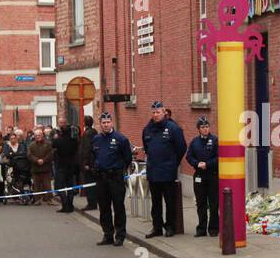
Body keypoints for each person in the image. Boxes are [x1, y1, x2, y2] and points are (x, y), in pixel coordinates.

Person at [141, 100, 187, 237]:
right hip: (153, 171)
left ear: (164, 112)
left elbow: (181, 147)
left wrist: (173, 162)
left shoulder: (173, 128)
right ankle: (157, 227)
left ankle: (170, 227)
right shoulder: (147, 129)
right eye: (154, 112)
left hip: (168, 172)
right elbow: (147, 148)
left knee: (169, 201)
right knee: (155, 203)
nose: (156, 115)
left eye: (158, 112)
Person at [91, 111, 132, 245]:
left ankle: (120, 235)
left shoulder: (121, 139)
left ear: (112, 123)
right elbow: (94, 156)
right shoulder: (96, 139)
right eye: (104, 123)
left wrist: (119, 170)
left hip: (115, 177)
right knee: (104, 207)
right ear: (100, 124)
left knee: (118, 207)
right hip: (101, 178)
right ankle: (107, 234)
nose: (106, 125)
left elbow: (127, 158)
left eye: (108, 122)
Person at [185, 117, 220, 236]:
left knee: (214, 203)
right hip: (199, 176)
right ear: (198, 129)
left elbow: (219, 157)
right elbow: (189, 156)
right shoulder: (194, 142)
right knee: (201, 203)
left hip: (212, 175)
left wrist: (208, 164)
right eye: (202, 127)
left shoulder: (215, 140)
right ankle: (201, 229)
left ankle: (214, 229)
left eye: (206, 127)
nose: (205, 129)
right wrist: (197, 163)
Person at [52, 119, 80, 214]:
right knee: (70, 186)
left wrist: (55, 138)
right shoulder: (74, 139)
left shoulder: (59, 138)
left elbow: (53, 145)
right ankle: (70, 205)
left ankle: (65, 205)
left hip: (61, 165)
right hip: (71, 165)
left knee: (60, 186)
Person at [28, 127, 55, 204]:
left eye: (39, 135)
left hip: (46, 168)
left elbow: (50, 154)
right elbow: (29, 155)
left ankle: (49, 199)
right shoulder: (31, 145)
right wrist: (37, 160)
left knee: (47, 185)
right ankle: (37, 200)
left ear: (42, 135)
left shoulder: (48, 144)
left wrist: (43, 160)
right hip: (35, 168)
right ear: (34, 136)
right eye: (36, 135)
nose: (38, 136)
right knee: (36, 185)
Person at [79, 115, 97, 211]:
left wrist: (86, 163)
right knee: (93, 182)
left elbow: (86, 149)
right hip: (93, 161)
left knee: (89, 183)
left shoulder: (87, 134)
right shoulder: (95, 132)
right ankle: (94, 201)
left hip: (89, 163)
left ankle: (91, 203)